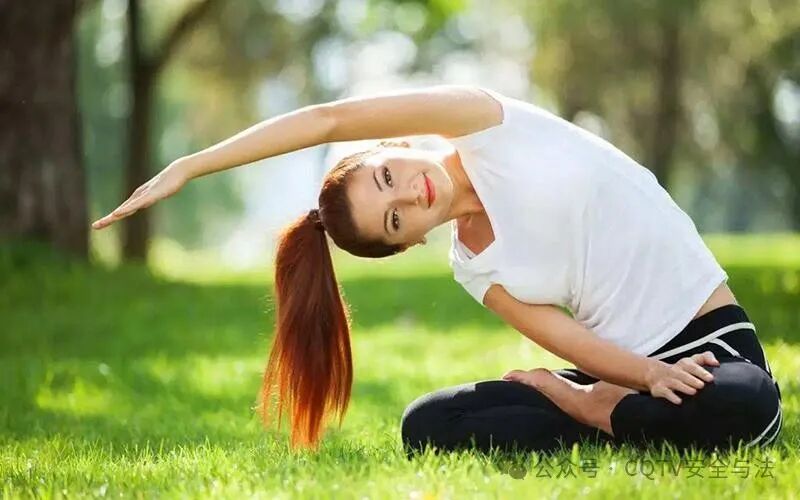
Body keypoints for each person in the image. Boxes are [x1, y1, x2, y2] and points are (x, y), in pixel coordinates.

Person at [91, 85, 782, 454]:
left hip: (709, 344)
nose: (408, 195)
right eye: (394, 219)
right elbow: (570, 340)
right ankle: (597, 408)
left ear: (393, 146)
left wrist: (190, 166)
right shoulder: (477, 268)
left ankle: (600, 412)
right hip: (623, 370)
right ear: (409, 244)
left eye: (387, 176)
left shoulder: (483, 122)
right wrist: (639, 378)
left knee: (750, 407)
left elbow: (329, 119)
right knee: (427, 424)